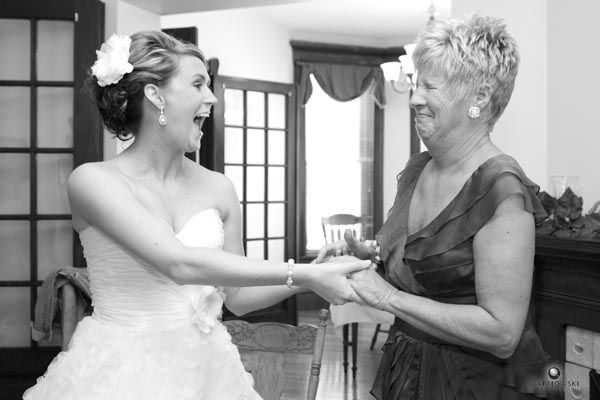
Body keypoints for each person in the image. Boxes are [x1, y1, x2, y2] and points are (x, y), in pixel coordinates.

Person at [23, 31, 370, 400]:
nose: (212, 97)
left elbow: (236, 297)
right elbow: (177, 263)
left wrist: (313, 275)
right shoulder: (93, 181)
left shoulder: (219, 187)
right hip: (117, 373)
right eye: (199, 83)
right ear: (156, 96)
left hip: (209, 374)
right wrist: (305, 272)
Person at [316, 15, 551, 400]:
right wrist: (368, 257)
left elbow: (503, 332)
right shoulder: (417, 169)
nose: (414, 98)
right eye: (414, 84)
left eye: (429, 86)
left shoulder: (501, 189)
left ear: (480, 97)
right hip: (408, 366)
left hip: (483, 384)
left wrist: (388, 297)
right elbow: (421, 264)